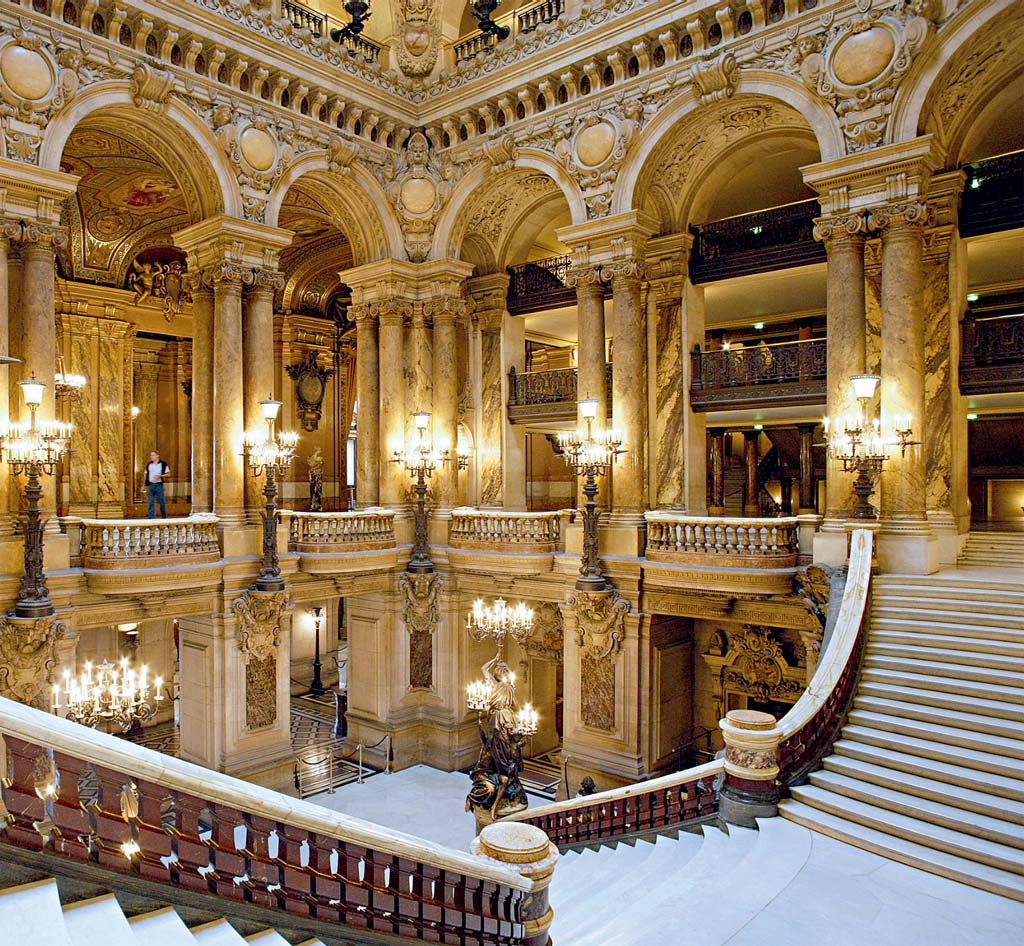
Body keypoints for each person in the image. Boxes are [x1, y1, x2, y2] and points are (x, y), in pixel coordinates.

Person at [145, 450, 169, 518]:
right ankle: (151, 518)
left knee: (161, 501)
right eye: (151, 455)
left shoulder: (163, 464)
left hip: (159, 485)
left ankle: (164, 517)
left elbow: (168, 474)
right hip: (151, 485)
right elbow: (146, 475)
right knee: (151, 502)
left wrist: (160, 476)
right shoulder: (149, 464)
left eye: (153, 455)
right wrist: (144, 485)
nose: (151, 457)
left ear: (157, 455)